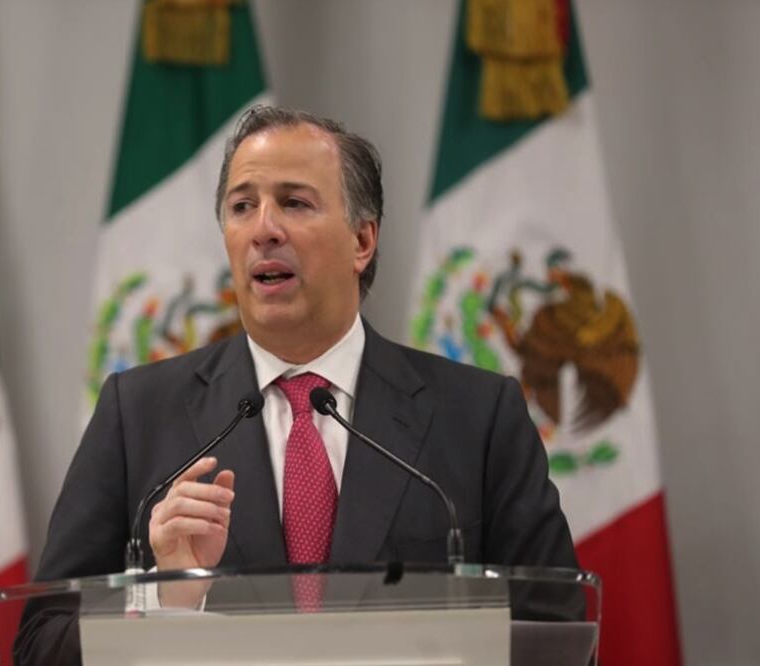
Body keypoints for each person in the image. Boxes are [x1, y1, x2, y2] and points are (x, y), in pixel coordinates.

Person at [32, 105, 577, 608]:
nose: (264, 230)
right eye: (242, 206)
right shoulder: (139, 415)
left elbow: (555, 627)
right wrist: (167, 600)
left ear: (362, 241)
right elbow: (42, 638)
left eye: (294, 202)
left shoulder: (479, 418)